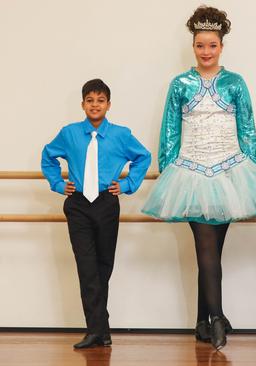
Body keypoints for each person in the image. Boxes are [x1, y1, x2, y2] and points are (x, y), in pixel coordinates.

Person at [141, 6, 256, 350]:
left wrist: (250, 172)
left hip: (229, 171)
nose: (206, 52)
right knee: (206, 249)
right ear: (193, 47)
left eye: (212, 46)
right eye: (200, 46)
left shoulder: (235, 82)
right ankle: (217, 318)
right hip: (190, 173)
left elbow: (246, 126)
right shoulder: (180, 84)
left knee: (212, 253)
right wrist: (168, 170)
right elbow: (170, 129)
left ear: (222, 46)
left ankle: (201, 325)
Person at [41, 79, 151, 348]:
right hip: (78, 204)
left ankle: (102, 329)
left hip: (106, 203)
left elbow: (143, 157)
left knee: (103, 266)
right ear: (82, 104)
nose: (95, 105)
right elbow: (48, 156)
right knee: (86, 266)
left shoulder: (121, 134)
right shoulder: (69, 133)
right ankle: (95, 330)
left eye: (100, 100)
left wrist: (126, 185)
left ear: (108, 105)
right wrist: (57, 183)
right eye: (90, 100)